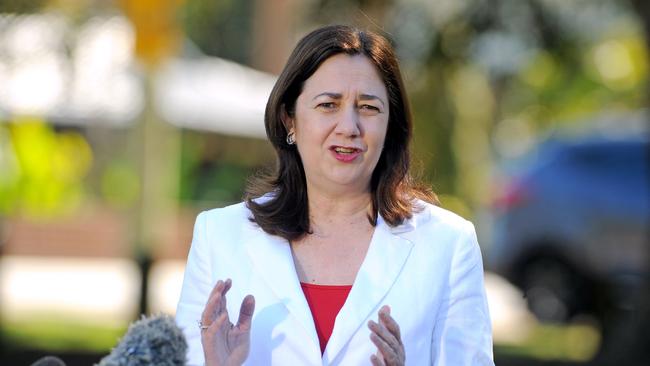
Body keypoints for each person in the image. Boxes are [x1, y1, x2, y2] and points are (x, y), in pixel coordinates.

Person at [176, 24, 494, 366]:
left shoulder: (448, 245)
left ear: (391, 125)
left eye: (369, 107)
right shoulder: (219, 235)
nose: (349, 126)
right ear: (289, 120)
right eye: (328, 104)